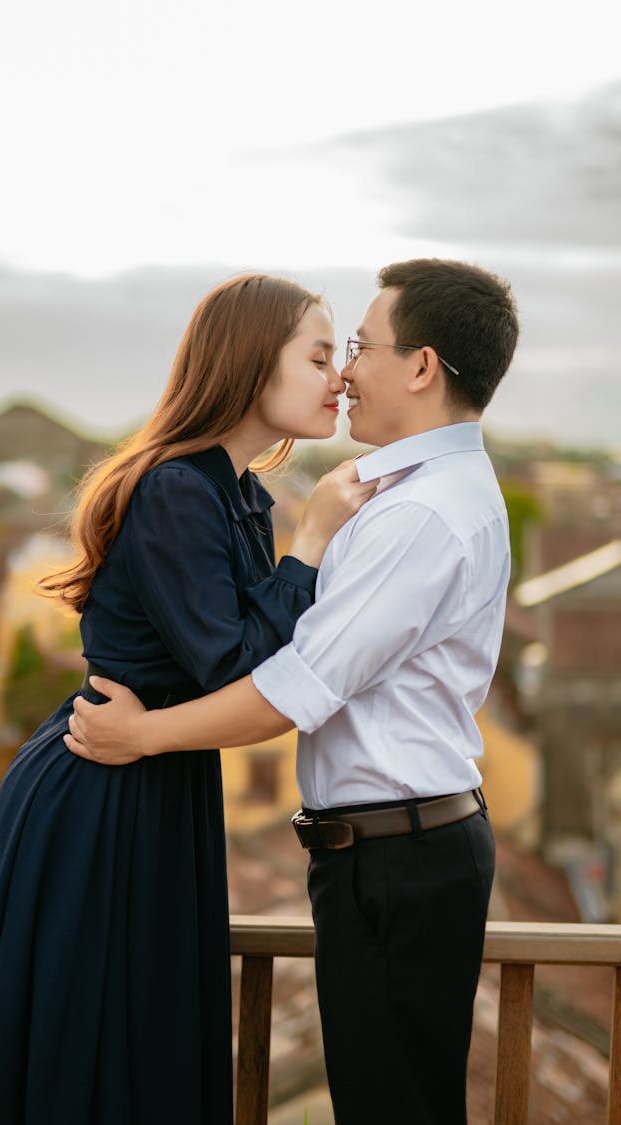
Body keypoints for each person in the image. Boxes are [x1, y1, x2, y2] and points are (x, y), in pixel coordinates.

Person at [66, 258, 520, 1125]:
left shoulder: (419, 513)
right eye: (328, 352)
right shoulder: (402, 494)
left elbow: (290, 689)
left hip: (397, 854)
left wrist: (144, 736)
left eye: (355, 347)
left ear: (421, 366)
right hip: (391, 848)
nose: (346, 370)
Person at [0, 273, 378, 1125]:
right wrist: (316, 542)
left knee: (142, 1029)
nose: (339, 376)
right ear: (254, 364)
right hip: (99, 783)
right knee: (96, 1033)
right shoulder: (177, 488)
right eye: (320, 355)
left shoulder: (236, 493)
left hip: (153, 773)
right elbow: (235, 666)